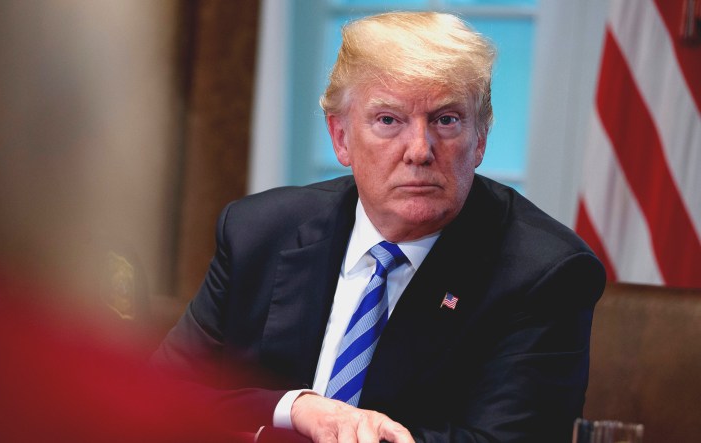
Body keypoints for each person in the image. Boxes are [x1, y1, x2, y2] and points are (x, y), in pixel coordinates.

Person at [154, 11, 606, 442]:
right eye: (389, 120)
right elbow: (160, 396)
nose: (419, 151)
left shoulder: (544, 274)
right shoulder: (259, 232)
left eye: (446, 120)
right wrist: (294, 409)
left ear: (480, 139)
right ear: (341, 138)